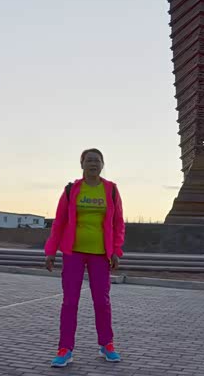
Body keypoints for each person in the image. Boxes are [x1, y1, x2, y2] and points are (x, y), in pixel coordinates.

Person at [44, 148, 125, 368]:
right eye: (89, 160)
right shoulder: (71, 190)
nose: (93, 164)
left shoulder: (111, 190)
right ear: (82, 164)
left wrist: (116, 250)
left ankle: (107, 344)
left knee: (102, 301)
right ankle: (65, 349)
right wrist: (51, 251)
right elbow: (59, 222)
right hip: (73, 253)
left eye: (97, 160)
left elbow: (118, 223)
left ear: (102, 164)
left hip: (100, 254)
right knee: (70, 301)